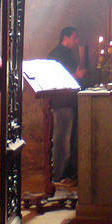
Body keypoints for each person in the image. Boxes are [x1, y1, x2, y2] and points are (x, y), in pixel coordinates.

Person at [47, 26, 86, 183]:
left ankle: (65, 174)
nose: (76, 42)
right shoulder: (55, 56)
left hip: (69, 102)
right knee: (61, 140)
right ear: (65, 38)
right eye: (74, 38)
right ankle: (57, 175)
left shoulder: (67, 55)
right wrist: (76, 75)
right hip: (61, 103)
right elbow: (56, 79)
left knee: (67, 140)